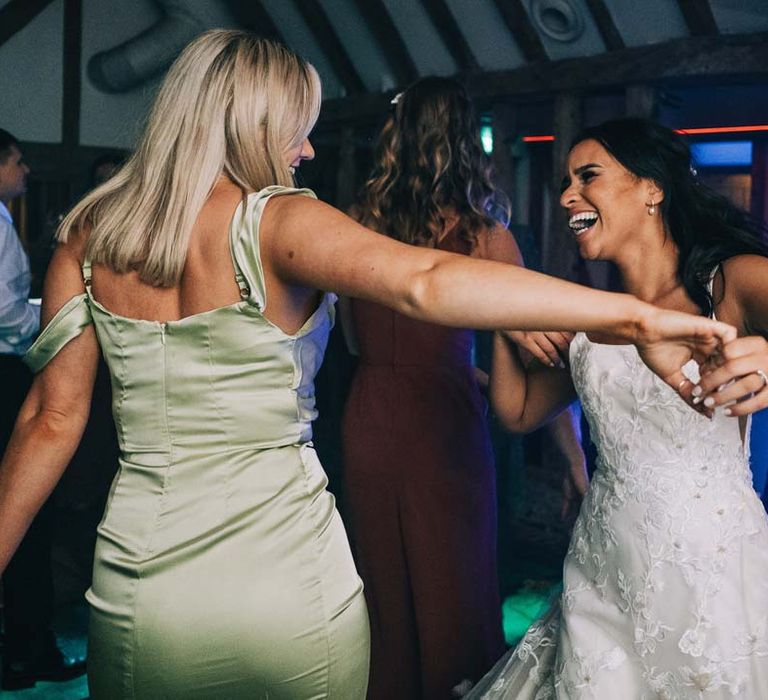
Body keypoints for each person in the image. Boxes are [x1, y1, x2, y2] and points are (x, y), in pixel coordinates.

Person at [0, 34, 736, 699]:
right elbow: (425, 281)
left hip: (140, 581)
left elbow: (50, 418)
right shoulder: (280, 218)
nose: (308, 151)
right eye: (300, 129)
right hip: (286, 575)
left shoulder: (91, 232)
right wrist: (635, 316)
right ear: (256, 123)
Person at [468, 118, 768, 699]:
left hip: (708, 570)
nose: (566, 196)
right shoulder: (592, 312)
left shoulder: (728, 283)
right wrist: (506, 323)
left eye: (588, 176)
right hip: (602, 568)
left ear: (651, 188)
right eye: (564, 182)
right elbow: (519, 410)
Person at [340, 77, 513, 699]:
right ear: (468, 141)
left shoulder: (357, 227)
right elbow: (531, 341)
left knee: (382, 576)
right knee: (454, 577)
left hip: (373, 410)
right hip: (443, 419)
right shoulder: (484, 236)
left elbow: (355, 341)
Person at [0, 128, 87, 690]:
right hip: (6, 373)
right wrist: (61, 323)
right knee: (26, 504)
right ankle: (30, 647)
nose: (25, 170)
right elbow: (7, 318)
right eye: (17, 161)